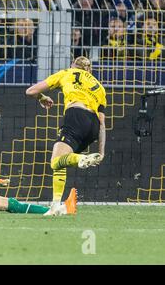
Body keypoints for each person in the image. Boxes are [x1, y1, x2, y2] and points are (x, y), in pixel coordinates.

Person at [25, 56, 107, 216]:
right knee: (60, 162)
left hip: (76, 115)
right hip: (93, 127)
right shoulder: (99, 87)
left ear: (73, 65)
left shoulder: (67, 73)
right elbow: (103, 123)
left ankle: (81, 159)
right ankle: (55, 206)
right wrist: (101, 152)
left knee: (55, 162)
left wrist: (42, 98)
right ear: (89, 69)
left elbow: (30, 91)